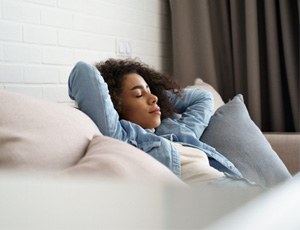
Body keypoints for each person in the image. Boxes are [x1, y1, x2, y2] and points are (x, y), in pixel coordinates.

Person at [68, 58, 261, 189]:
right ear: (116, 105)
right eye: (138, 94)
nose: (152, 98)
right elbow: (83, 72)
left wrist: (160, 95)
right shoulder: (123, 136)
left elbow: (203, 98)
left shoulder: (178, 131)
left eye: (150, 90)